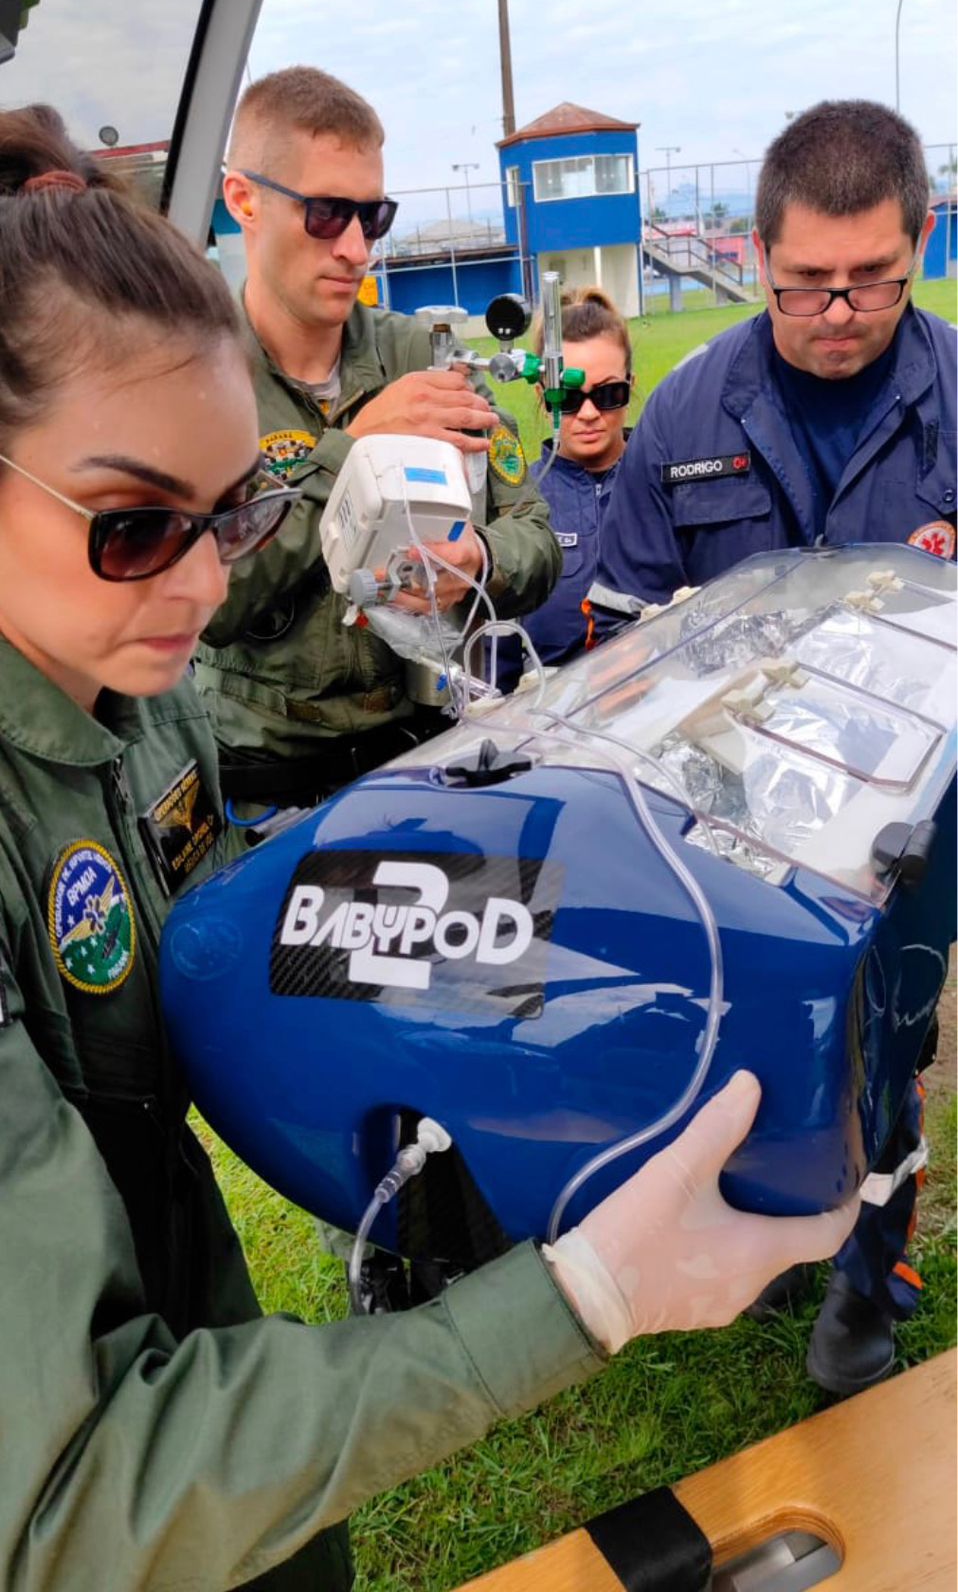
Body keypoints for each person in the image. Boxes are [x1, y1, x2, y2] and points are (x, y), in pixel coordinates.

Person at [0, 104, 860, 1592]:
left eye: (234, 515)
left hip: (206, 1364)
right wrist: (581, 1298)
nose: (199, 585)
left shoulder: (128, 694)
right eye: (135, 525)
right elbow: (72, 1497)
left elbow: (235, 950)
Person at [588, 99, 955, 1396]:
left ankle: (868, 1275)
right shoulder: (687, 413)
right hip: (727, 823)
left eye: (873, 278)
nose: (839, 310)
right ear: (753, 256)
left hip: (912, 831)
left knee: (889, 1046)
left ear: (922, 241)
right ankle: (777, 1227)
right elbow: (615, 625)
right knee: (747, 1038)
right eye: (806, 282)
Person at [193, 66, 561, 833]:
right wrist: (354, 448)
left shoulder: (424, 361)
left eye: (374, 216)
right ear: (244, 200)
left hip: (425, 771)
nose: (356, 249)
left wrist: (478, 561)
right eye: (327, 214)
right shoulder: (194, 377)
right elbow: (207, 601)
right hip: (269, 800)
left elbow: (536, 534)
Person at [494, 286, 633, 691]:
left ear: (631, 386)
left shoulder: (663, 483)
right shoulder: (519, 503)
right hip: (552, 716)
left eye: (608, 394)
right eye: (568, 397)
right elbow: (496, 655)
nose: (589, 413)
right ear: (543, 396)